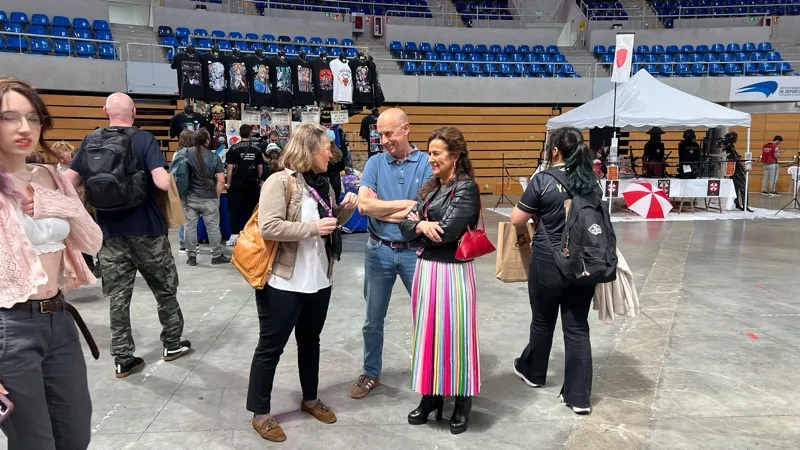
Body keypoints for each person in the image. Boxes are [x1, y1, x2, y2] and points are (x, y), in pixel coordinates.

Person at [0, 78, 102, 449]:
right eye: (9, 117)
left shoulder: (52, 176)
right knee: (34, 443)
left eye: (33, 117)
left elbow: (92, 240)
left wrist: (55, 204)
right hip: (8, 328)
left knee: (75, 435)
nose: (24, 128)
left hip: (59, 319)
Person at [66, 92, 192, 378]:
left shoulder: (90, 140)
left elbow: (68, 182)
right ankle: (172, 344)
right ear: (134, 112)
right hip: (148, 231)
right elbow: (162, 182)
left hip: (110, 234)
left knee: (118, 298)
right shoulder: (143, 139)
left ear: (105, 111)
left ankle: (123, 359)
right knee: (165, 290)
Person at [247, 123, 358, 442]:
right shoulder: (279, 182)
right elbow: (269, 227)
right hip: (283, 282)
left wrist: (344, 211)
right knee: (271, 347)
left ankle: (310, 399)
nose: (331, 153)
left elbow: (330, 223)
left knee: (310, 342)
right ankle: (260, 413)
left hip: (319, 279)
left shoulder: (324, 184)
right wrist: (312, 229)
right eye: (326, 147)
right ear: (308, 150)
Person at [509, 127, 600, 415]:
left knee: (542, 320)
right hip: (584, 263)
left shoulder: (543, 180)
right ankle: (578, 397)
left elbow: (516, 219)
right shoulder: (591, 181)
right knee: (577, 326)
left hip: (549, 261)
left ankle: (534, 372)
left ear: (555, 151)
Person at [399, 127, 481, 434]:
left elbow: (446, 233)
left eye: (437, 153)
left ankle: (461, 401)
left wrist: (418, 226)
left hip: (453, 272)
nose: (431, 159)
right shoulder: (431, 188)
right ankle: (431, 396)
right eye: (430, 153)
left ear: (455, 156)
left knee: (456, 335)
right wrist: (421, 225)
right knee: (428, 335)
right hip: (426, 270)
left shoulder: (466, 188)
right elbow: (405, 225)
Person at [350, 108, 433, 399]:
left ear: (406, 129)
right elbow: (364, 207)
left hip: (415, 252)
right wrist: (406, 207)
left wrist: (382, 209)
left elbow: (424, 211)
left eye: (389, 134)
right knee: (373, 319)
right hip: (378, 251)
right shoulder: (374, 163)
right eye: (380, 134)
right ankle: (371, 373)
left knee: (426, 317)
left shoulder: (426, 164)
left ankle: (429, 373)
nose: (383, 140)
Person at [52, 140, 100, 276]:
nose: (62, 159)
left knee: (97, 232)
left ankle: (101, 264)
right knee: (80, 235)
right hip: (73, 205)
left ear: (69, 151)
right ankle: (87, 264)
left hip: (89, 203)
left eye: (63, 156)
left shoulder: (81, 162)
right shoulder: (58, 169)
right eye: (59, 157)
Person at [183, 128, 228, 266]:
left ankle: (191, 257)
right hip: (209, 198)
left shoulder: (186, 153)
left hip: (190, 197)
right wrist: (217, 196)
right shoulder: (214, 157)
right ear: (207, 140)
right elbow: (221, 180)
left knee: (190, 227)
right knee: (213, 228)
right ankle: (216, 255)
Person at [225, 124, 264, 246]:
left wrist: (229, 183)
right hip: (252, 183)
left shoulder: (233, 148)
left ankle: (234, 235)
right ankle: (251, 235)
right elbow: (260, 167)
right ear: (250, 134)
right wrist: (258, 179)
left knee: (234, 209)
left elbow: (230, 167)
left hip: (237, 183)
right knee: (252, 210)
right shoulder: (257, 149)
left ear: (239, 134)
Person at [172, 130, 196, 253]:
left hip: (180, 188)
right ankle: (192, 243)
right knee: (192, 217)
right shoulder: (195, 153)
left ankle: (182, 244)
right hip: (193, 188)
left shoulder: (176, 154)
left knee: (182, 216)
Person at [722, 131, 752, 212]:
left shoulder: (728, 146)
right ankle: (745, 205)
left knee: (736, 186)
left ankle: (737, 203)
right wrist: (742, 168)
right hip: (736, 168)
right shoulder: (730, 147)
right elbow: (735, 159)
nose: (736, 139)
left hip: (733, 168)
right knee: (743, 186)